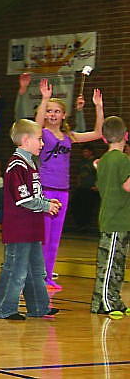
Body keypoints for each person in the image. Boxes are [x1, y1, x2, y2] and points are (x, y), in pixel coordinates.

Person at [34, 77, 103, 290]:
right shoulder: (41, 134)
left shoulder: (68, 136)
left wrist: (98, 107)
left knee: (54, 238)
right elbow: (36, 125)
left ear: (64, 115)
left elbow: (98, 133)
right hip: (45, 190)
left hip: (63, 191)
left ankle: (47, 276)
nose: (52, 115)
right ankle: (37, 275)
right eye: (49, 111)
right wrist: (45, 99)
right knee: (43, 237)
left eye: (57, 111)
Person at [0, 119, 61, 320]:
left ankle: (39, 307)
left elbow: (34, 194)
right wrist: (45, 206)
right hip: (19, 229)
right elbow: (22, 198)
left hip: (32, 227)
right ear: (25, 140)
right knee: (15, 270)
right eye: (39, 139)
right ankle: (4, 308)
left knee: (36, 270)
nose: (42, 144)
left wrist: (47, 201)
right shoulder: (16, 166)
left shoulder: (31, 163)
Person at [91, 116, 130, 317]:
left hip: (117, 218)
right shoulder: (121, 160)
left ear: (104, 139)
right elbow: (127, 185)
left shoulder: (104, 160)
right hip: (115, 219)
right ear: (126, 135)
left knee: (116, 263)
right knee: (109, 265)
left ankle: (115, 300)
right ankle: (104, 302)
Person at [72, 145, 99, 232]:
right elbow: (79, 174)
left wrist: (97, 185)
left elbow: (100, 174)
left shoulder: (95, 162)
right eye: (83, 152)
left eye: (86, 151)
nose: (84, 153)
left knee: (88, 208)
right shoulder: (82, 162)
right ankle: (80, 224)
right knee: (75, 205)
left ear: (91, 152)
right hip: (82, 187)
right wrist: (78, 183)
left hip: (91, 188)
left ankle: (85, 225)